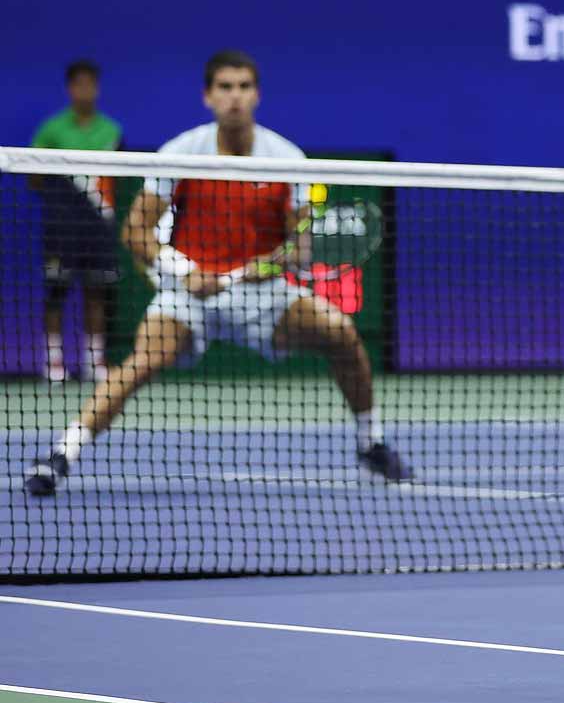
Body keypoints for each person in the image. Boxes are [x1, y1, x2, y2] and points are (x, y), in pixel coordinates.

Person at [24, 51, 413, 497]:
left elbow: (300, 245)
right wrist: (185, 271)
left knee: (341, 333)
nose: (235, 97)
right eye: (225, 87)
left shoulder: (287, 158)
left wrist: (274, 262)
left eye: (244, 87)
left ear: (257, 95)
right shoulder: (182, 152)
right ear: (208, 96)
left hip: (261, 295)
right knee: (140, 363)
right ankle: (61, 454)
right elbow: (136, 230)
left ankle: (371, 443)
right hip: (187, 295)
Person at [29, 59, 122, 384]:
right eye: (78, 84)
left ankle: (93, 362)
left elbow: (116, 180)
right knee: (56, 292)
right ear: (70, 88)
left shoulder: (111, 130)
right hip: (61, 228)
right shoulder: (52, 129)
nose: (85, 90)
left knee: (97, 291)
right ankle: (53, 362)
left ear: (96, 88)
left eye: (90, 84)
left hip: (98, 226)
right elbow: (34, 179)